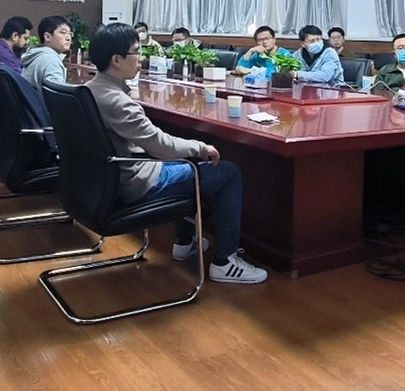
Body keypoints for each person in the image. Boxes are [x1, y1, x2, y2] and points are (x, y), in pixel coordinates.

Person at [85, 23, 266, 284]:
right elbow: (161, 145)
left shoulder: (90, 89)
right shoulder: (118, 102)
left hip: (107, 178)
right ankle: (225, 262)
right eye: (136, 51)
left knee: (183, 163)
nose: (141, 57)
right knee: (228, 172)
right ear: (117, 59)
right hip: (134, 183)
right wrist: (201, 148)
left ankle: (185, 241)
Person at [20, 15, 71, 92]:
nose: (68, 38)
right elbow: (57, 96)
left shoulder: (36, 55)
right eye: (63, 32)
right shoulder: (51, 61)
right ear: (47, 37)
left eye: (70, 34)